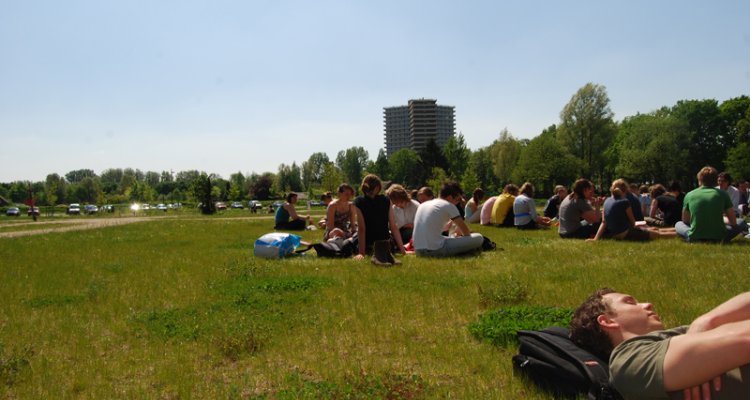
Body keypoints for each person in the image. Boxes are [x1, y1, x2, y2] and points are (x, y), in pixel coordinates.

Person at [570, 288, 750, 399]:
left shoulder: (680, 335)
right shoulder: (627, 361)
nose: (647, 304)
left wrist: (707, 321)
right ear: (608, 322)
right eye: (630, 302)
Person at [412, 182, 484, 257]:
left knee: (450, 238)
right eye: (458, 199)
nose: (458, 203)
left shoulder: (423, 205)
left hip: (418, 250)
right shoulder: (449, 205)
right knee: (479, 237)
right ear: (450, 197)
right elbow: (466, 233)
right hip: (435, 250)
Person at [589, 179, 673, 241]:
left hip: (615, 233)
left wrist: (596, 238)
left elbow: (604, 222)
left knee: (653, 229)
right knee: (657, 233)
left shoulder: (607, 201)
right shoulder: (625, 202)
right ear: (625, 190)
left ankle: (676, 230)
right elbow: (634, 224)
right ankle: (679, 234)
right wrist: (646, 228)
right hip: (625, 233)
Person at [675, 166, 742, 243]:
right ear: (716, 180)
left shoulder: (689, 195)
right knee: (741, 222)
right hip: (719, 237)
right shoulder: (723, 194)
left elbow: (685, 220)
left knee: (679, 224)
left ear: (699, 180)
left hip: (695, 236)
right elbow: (733, 222)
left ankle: (693, 236)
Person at [353, 174, 406, 260]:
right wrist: (402, 250)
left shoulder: (359, 202)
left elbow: (362, 228)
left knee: (352, 239)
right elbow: (393, 226)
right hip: (386, 246)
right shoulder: (386, 200)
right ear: (378, 187)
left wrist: (361, 253)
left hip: (369, 246)